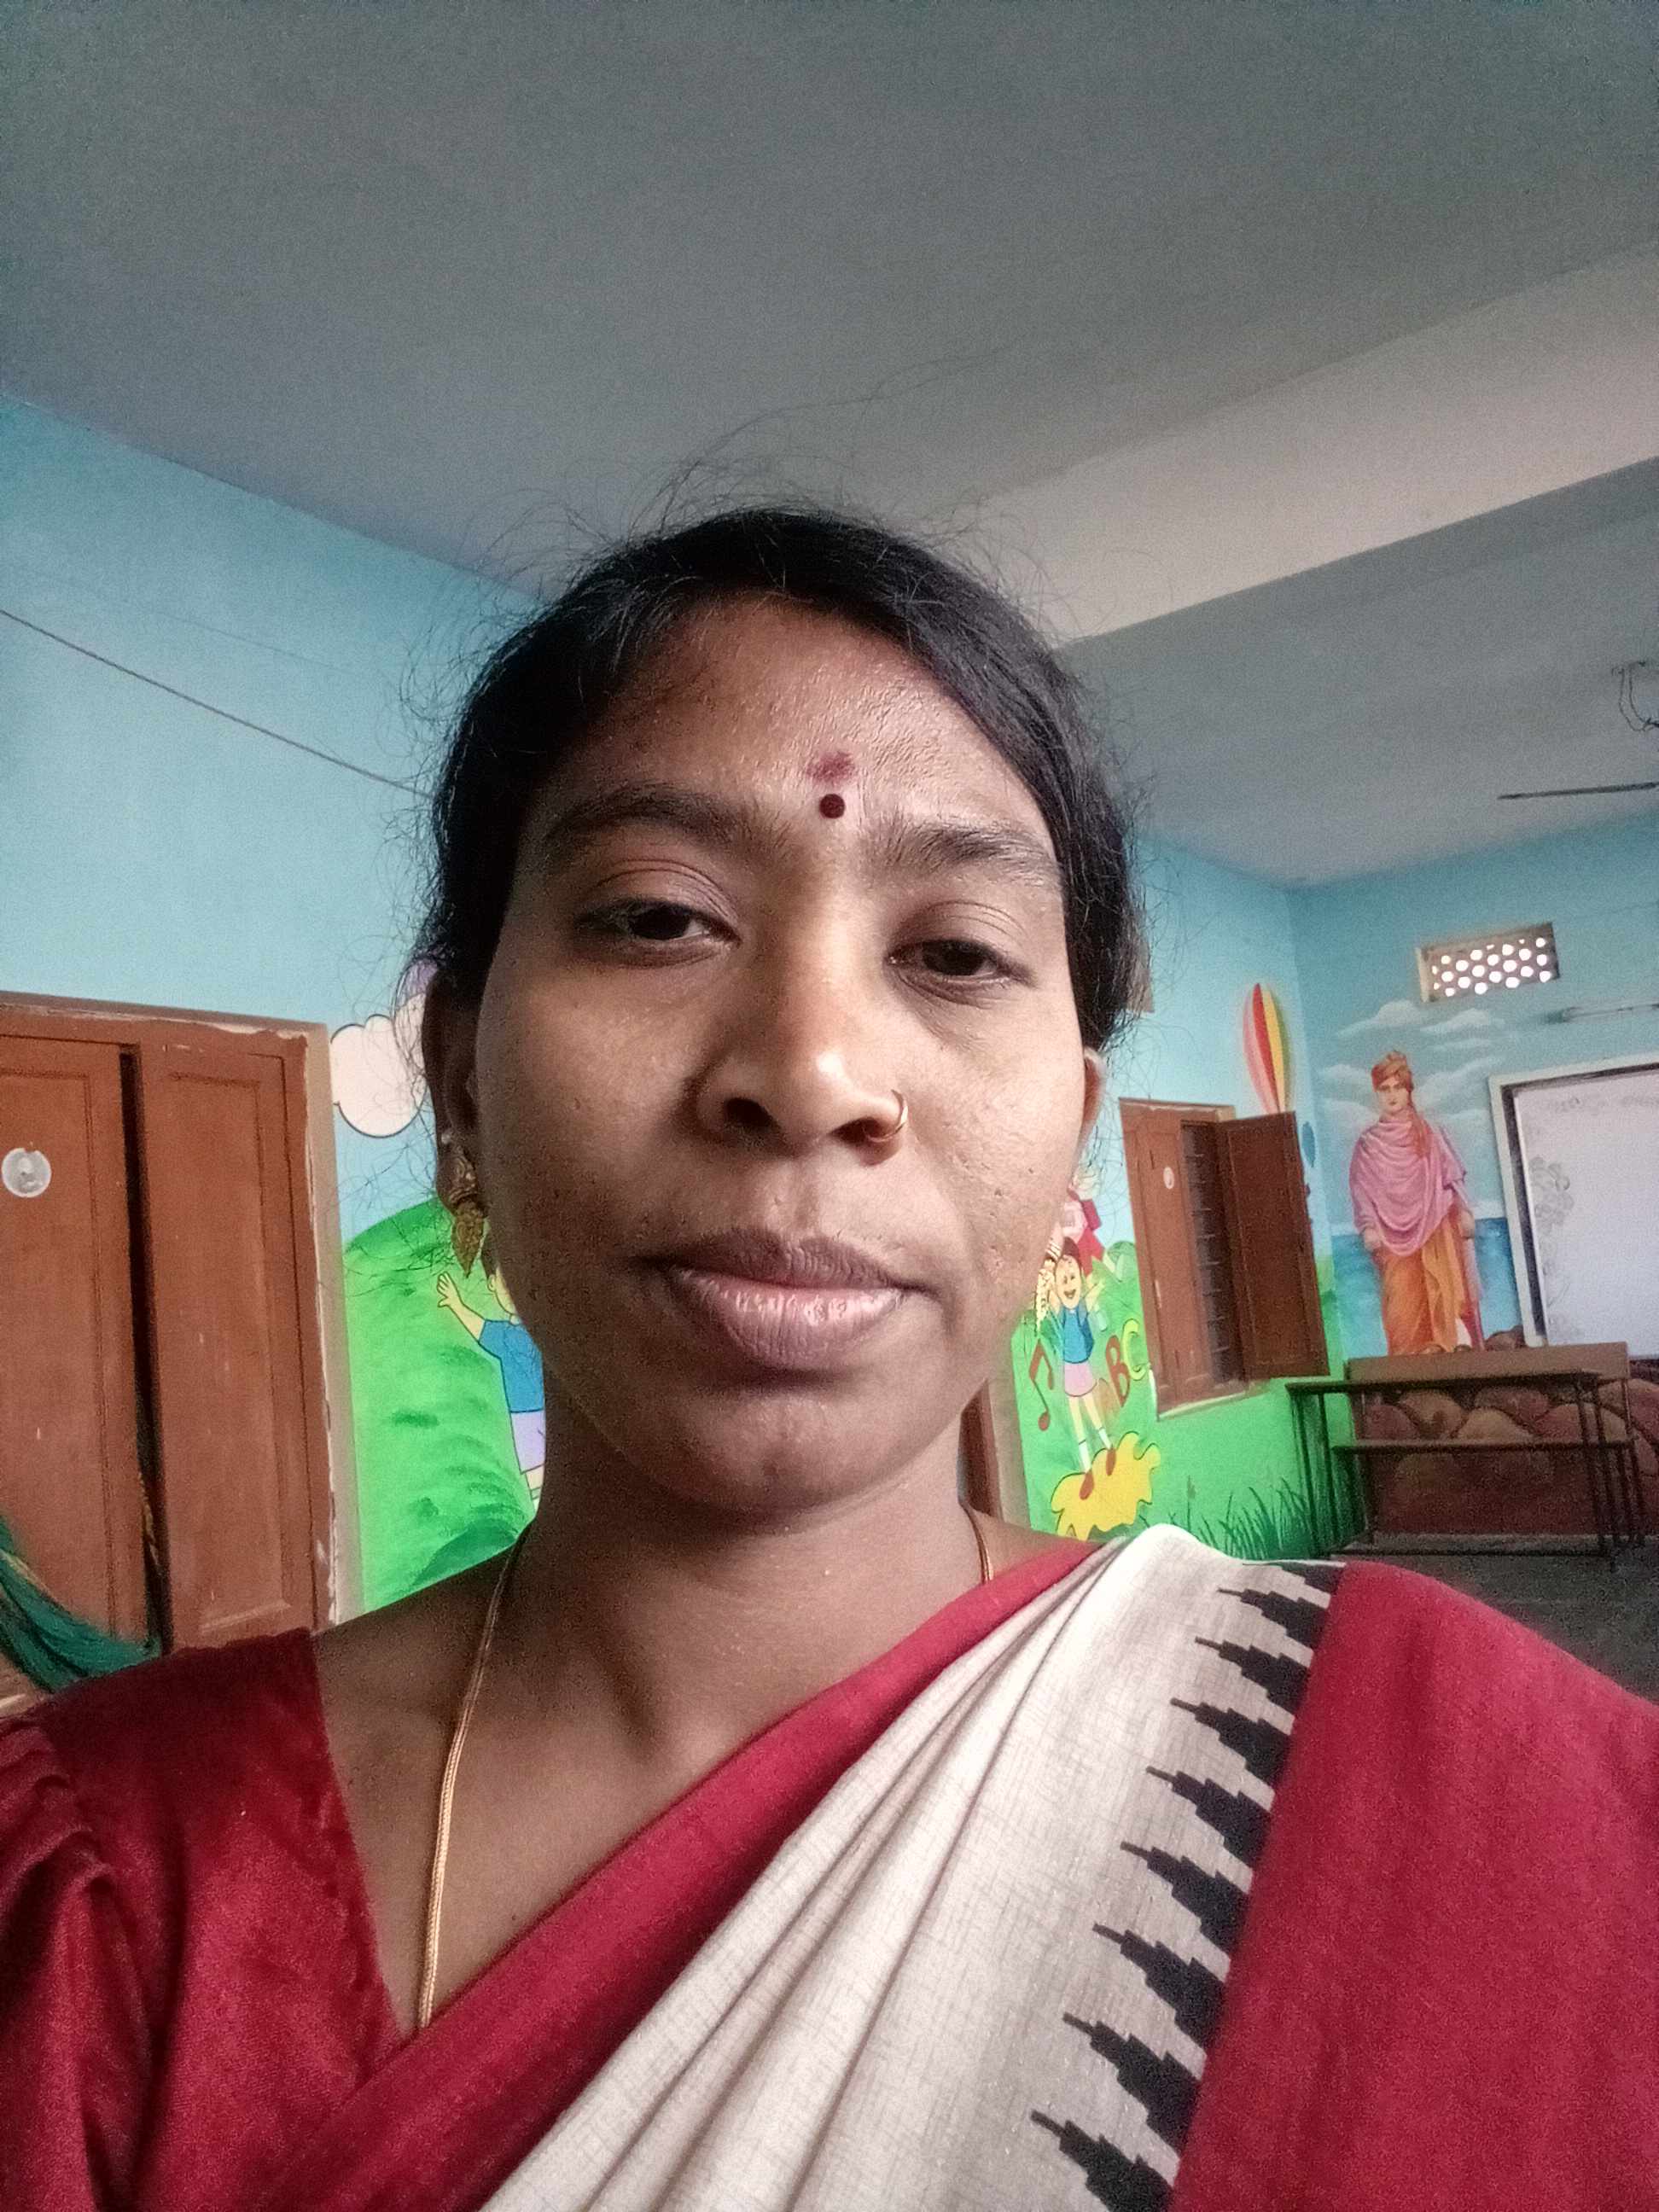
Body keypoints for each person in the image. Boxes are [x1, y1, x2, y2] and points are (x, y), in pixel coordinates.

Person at [1, 508, 1654, 2212]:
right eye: (658, 916)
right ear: (462, 1079)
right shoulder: (101, 1894)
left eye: (954, 954)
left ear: (1073, 1133)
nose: (810, 1072)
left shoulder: (1482, 1797)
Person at [1349, 1049, 1487, 1355]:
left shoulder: (1429, 1132)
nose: (1392, 1095)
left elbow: (1452, 1175)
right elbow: (1361, 1189)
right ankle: (1408, 1368)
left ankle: (1452, 1354)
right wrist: (1368, 1226)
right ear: (1376, 1093)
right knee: (1402, 1307)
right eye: (1385, 1089)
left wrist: (1464, 1211)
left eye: (1398, 1087)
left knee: (1444, 1294)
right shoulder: (1368, 1143)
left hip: (1436, 1223)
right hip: (1391, 1234)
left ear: (1409, 1091)